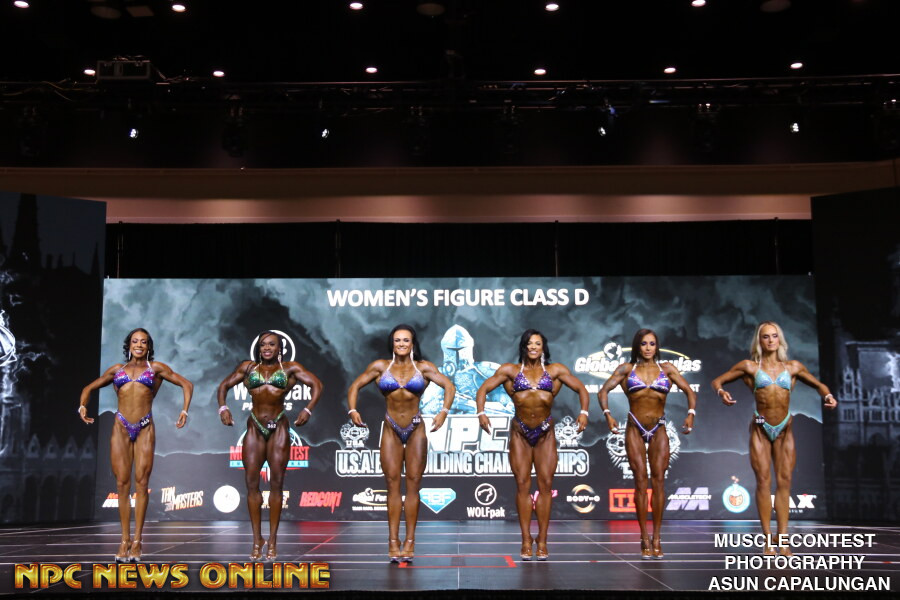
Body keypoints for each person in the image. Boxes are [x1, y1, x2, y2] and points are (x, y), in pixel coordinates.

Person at [711, 321, 837, 556]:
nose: (770, 340)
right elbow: (717, 381)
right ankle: (768, 539)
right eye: (766, 336)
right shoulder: (749, 367)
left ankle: (783, 538)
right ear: (759, 341)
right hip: (760, 427)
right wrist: (722, 392)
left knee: (785, 481)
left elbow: (819, 385)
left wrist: (828, 395)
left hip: (784, 428)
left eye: (774, 336)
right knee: (763, 481)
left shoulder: (793, 367)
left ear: (780, 340)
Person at [78, 328, 193, 562]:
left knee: (142, 483)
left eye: (143, 342)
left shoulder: (155, 368)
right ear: (129, 345)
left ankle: (138, 541)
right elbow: (87, 388)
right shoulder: (117, 370)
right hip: (120, 427)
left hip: (144, 428)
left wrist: (184, 411)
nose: (139, 345)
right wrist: (82, 406)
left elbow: (186, 384)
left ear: (148, 346)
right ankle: (124, 541)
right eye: (135, 341)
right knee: (122, 484)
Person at [476, 329, 590, 561]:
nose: (533, 347)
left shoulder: (555, 371)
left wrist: (584, 413)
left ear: (543, 347)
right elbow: (483, 389)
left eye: (537, 343)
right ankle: (526, 539)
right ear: (524, 347)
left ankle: (543, 540)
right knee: (522, 485)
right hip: (520, 433)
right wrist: (481, 413)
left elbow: (581, 389)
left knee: (546, 485)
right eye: (529, 343)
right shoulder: (510, 371)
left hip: (545, 434)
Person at [347, 324, 455, 563]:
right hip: (391, 428)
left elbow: (449, 386)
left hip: (416, 428)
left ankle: (410, 541)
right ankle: (393, 541)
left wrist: (444, 412)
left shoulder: (423, 367)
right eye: (397, 340)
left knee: (414, 485)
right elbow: (355, 386)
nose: (402, 344)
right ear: (392, 343)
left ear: (412, 343)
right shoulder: (381, 367)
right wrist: (353, 410)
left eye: (406, 340)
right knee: (392, 484)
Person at [217, 330, 323, 560]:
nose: (267, 348)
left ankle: (273, 540)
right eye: (263, 344)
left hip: (279, 428)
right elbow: (223, 386)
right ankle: (257, 540)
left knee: (277, 484)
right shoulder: (248, 368)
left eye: (272, 344)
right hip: (255, 427)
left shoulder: (290, 369)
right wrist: (223, 408)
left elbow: (317, 385)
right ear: (259, 348)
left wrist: (307, 410)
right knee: (251, 484)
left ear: (279, 349)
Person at [598, 328, 697, 559]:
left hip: (659, 428)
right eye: (644, 344)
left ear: (657, 346)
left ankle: (657, 537)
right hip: (634, 428)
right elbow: (603, 391)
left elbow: (689, 391)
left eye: (652, 343)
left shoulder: (667, 369)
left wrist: (691, 413)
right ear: (637, 346)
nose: (648, 348)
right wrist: (608, 414)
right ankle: (644, 537)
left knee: (659, 481)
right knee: (640, 482)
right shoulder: (626, 369)